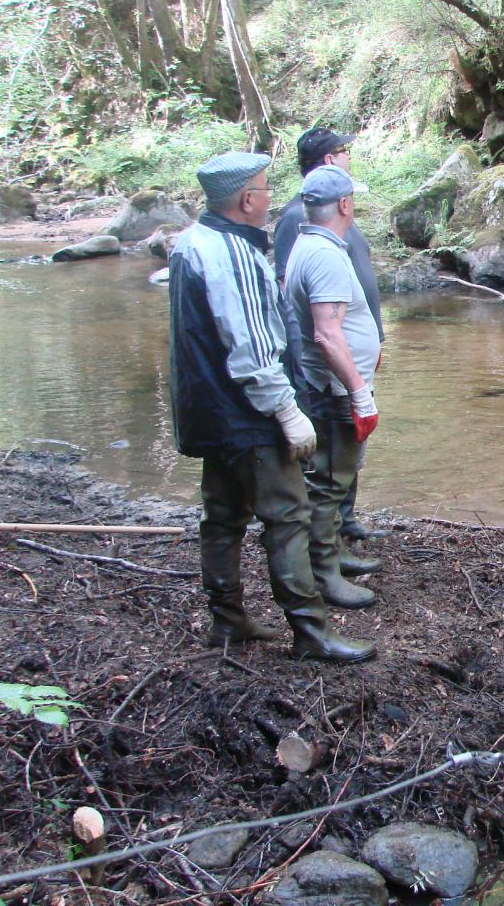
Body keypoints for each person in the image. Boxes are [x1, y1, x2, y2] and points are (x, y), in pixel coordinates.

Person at [167, 151, 375, 663]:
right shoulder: (231, 255)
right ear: (245, 200)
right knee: (288, 516)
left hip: (209, 409)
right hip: (247, 414)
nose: (268, 197)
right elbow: (249, 344)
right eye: (263, 189)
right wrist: (284, 408)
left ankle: (228, 621)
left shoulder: (192, 242)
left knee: (222, 517)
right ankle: (311, 631)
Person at [275, 127, 385, 545]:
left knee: (339, 464)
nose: (348, 156)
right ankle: (327, 558)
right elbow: (316, 322)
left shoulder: (323, 233)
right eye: (343, 151)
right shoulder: (302, 229)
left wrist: (373, 344)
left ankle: (342, 531)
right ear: (342, 202)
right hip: (332, 376)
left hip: (346, 368)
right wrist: (356, 389)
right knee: (330, 469)